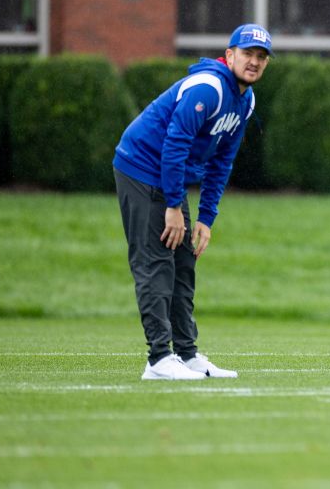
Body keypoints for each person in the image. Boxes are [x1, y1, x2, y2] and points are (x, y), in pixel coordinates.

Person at [113, 24, 272, 380]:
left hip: (170, 177)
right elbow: (174, 143)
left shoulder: (245, 101)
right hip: (141, 167)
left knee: (183, 263)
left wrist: (206, 218)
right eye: (247, 54)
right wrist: (173, 206)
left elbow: (222, 161)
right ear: (229, 55)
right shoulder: (209, 87)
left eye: (261, 57)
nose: (254, 62)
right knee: (156, 263)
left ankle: (186, 354)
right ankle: (158, 359)